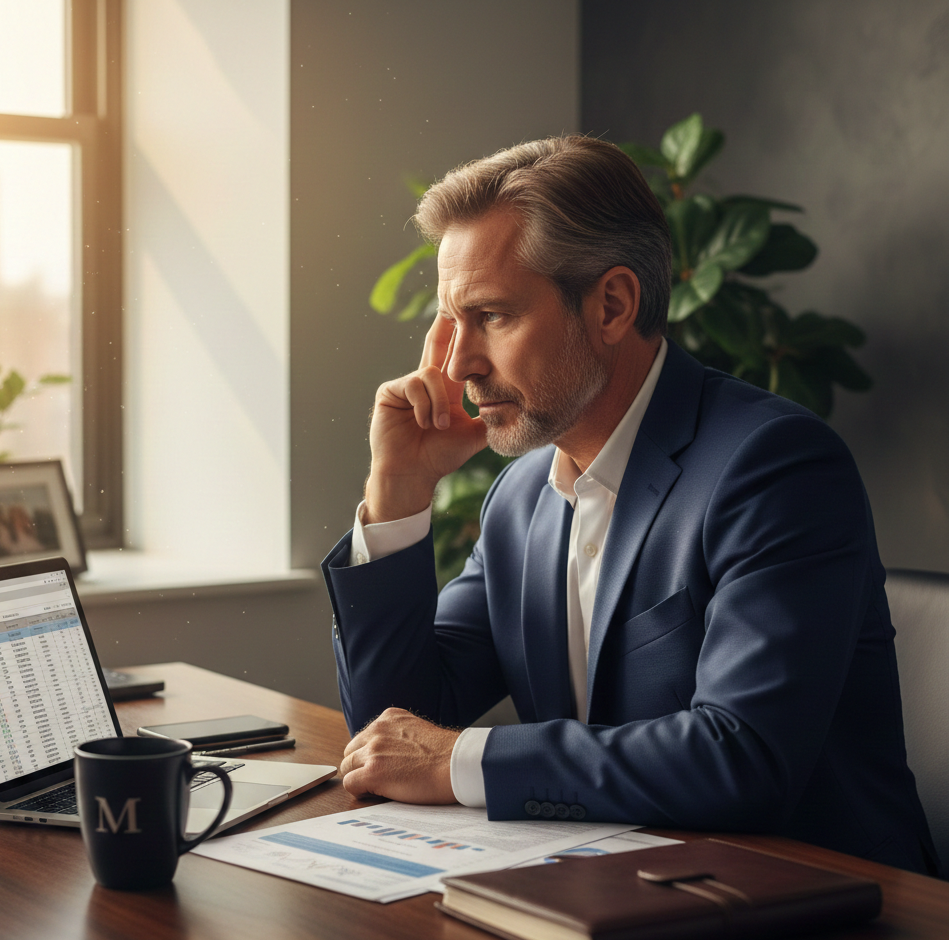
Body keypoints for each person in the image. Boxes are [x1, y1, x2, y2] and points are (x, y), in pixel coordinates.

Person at [321, 137, 939, 875]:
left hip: (818, 900)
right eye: (453, 322)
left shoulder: (776, 467)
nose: (458, 365)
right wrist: (397, 494)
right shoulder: (520, 497)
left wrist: (462, 759)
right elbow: (394, 733)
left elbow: (741, 758)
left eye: (492, 316)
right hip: (618, 890)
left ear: (612, 305)